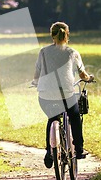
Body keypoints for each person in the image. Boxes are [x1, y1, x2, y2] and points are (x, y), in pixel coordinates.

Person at [32, 22, 93, 168]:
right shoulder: (72, 53)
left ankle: (49, 151)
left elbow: (37, 74)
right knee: (75, 116)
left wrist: (35, 82)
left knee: (52, 118)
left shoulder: (43, 52)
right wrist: (88, 78)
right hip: (66, 96)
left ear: (52, 35)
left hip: (45, 97)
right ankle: (78, 149)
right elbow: (82, 74)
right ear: (67, 35)